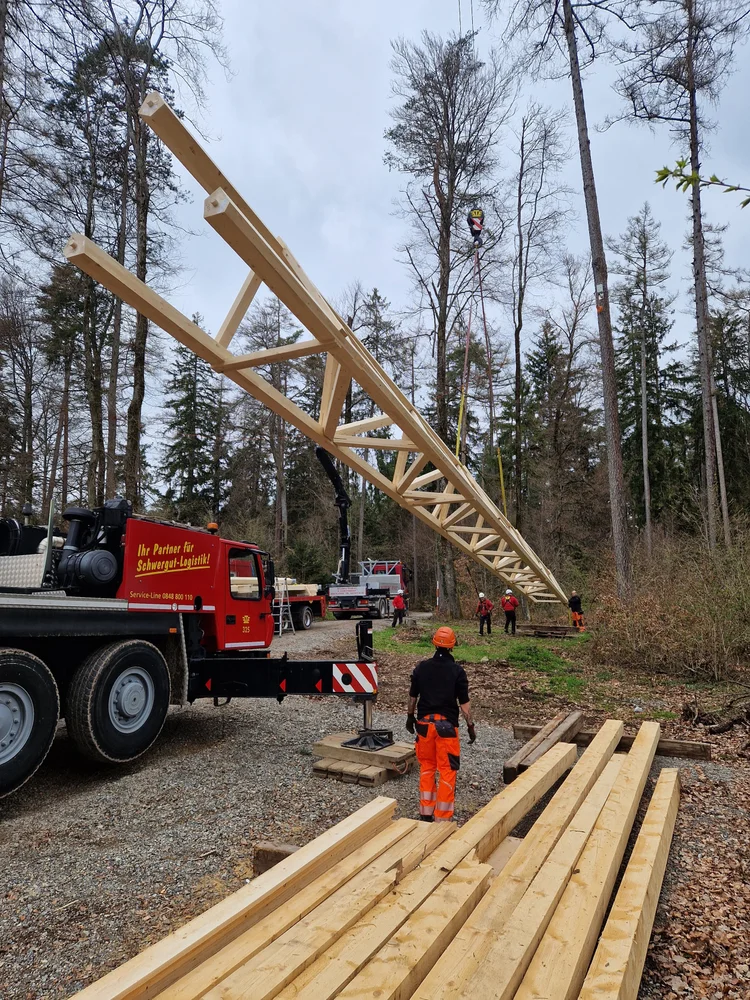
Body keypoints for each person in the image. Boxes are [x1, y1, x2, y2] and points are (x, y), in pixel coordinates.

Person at [406, 627, 475, 822]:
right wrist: (470, 727)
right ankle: (442, 818)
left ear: (434, 643)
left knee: (427, 767)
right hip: (446, 727)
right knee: (447, 771)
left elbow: (413, 696)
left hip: (424, 725)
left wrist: (410, 717)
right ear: (453, 646)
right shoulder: (457, 671)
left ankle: (426, 813)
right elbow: (464, 704)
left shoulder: (421, 668)